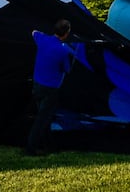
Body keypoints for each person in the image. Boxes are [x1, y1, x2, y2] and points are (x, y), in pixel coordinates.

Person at [25, 18, 86, 156]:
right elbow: (67, 69)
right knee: (42, 119)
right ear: (66, 33)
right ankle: (31, 148)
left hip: (37, 85)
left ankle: (48, 145)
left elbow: (34, 32)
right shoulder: (62, 51)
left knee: (44, 116)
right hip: (50, 88)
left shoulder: (43, 39)